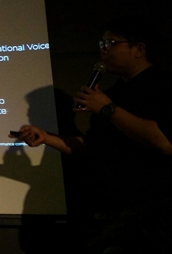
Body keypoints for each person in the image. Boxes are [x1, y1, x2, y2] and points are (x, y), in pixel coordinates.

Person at [12, 16, 171, 217]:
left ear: (139, 49)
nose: (103, 50)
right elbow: (93, 146)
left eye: (110, 43)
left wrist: (108, 109)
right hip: (107, 208)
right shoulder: (112, 94)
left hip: (150, 209)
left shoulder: (164, 87)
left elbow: (164, 142)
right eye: (101, 44)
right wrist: (46, 137)